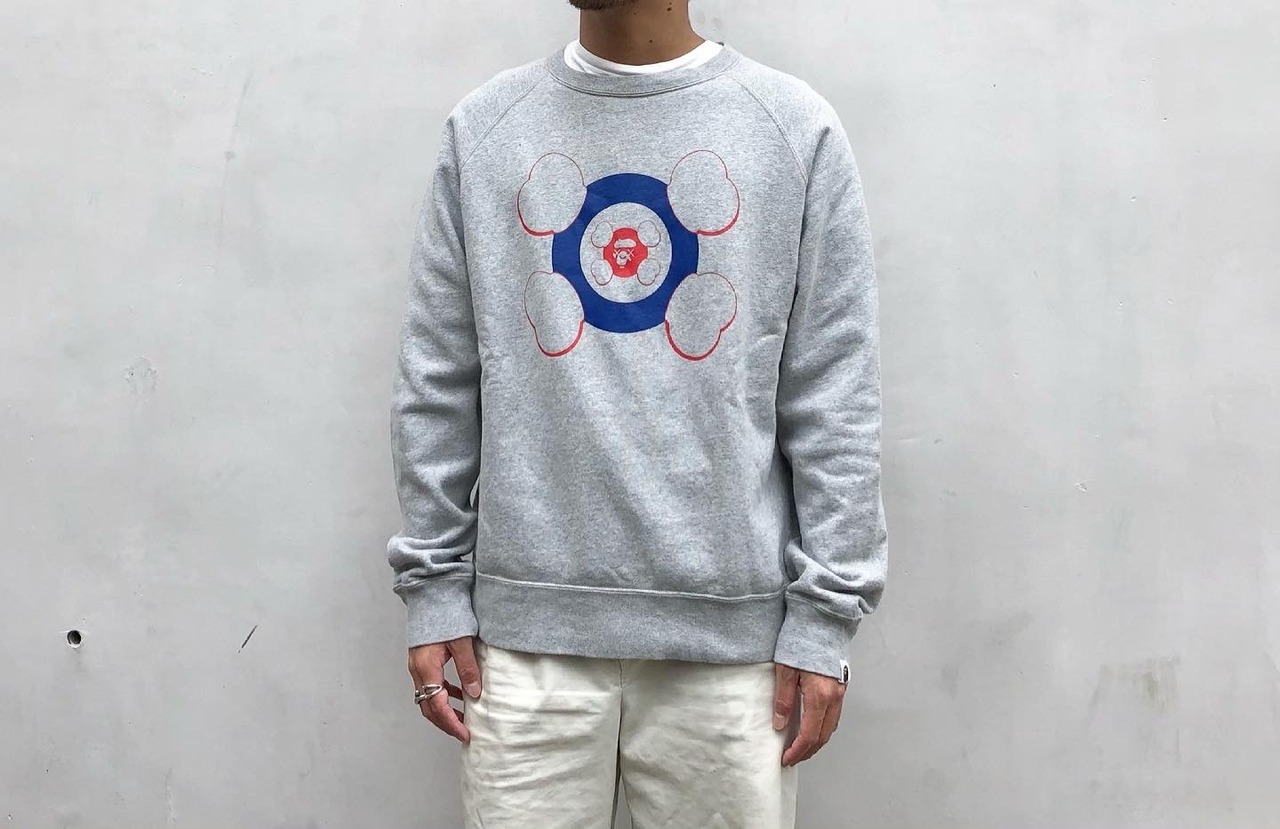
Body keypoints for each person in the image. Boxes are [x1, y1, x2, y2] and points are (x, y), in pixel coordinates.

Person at [385, 1, 888, 825]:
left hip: (733, 653)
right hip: (524, 643)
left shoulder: (793, 130)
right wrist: (434, 586)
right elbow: (438, 376)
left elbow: (834, 394)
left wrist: (825, 615)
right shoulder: (485, 130)